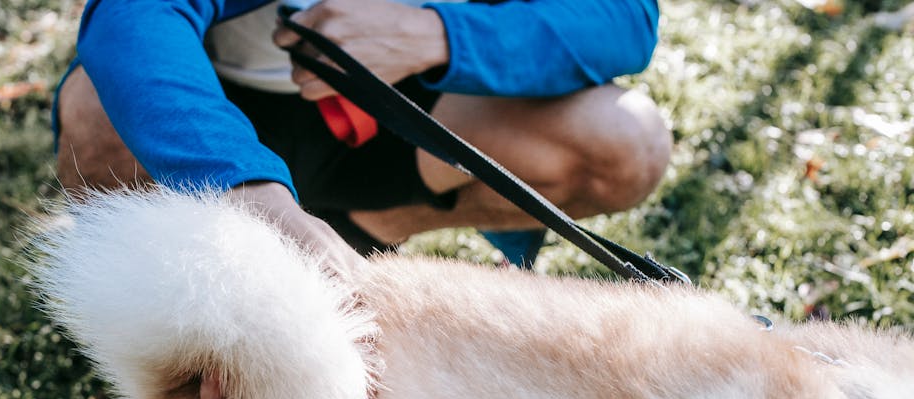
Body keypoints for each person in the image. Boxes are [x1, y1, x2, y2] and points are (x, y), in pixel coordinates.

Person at [53, 0, 671, 282]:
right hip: (219, 103)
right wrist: (242, 190)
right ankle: (168, 316)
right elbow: (131, 14)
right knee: (94, 110)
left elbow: (625, 17)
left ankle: (371, 232)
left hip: (419, 101)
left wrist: (434, 34)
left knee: (627, 140)